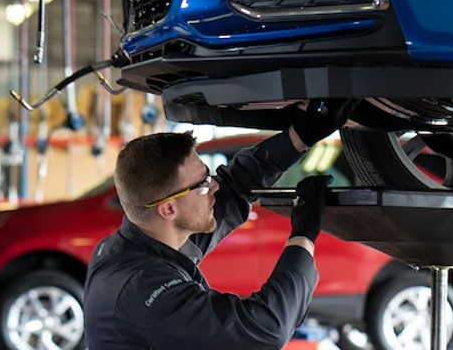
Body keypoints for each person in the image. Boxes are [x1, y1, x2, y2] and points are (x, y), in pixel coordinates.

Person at [83, 100, 357, 349]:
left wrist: (301, 136)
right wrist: (304, 235)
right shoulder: (144, 290)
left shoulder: (144, 242)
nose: (213, 186)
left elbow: (234, 186)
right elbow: (265, 328)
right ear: (168, 208)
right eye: (202, 185)